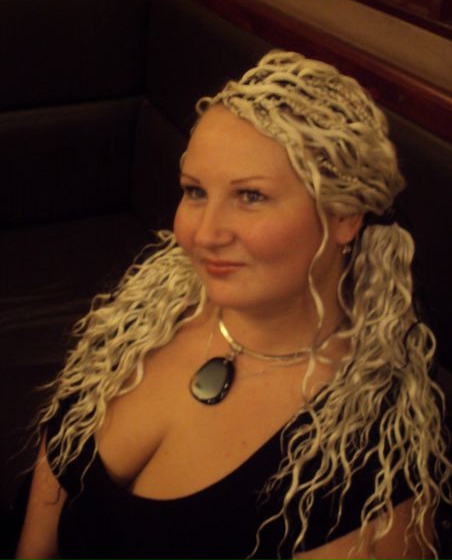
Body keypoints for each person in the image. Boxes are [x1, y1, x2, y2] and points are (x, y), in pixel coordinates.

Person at [16, 50, 451, 560]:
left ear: (345, 217)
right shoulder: (148, 307)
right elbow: (46, 505)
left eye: (251, 196)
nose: (204, 234)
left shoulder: (367, 466)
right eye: (195, 191)